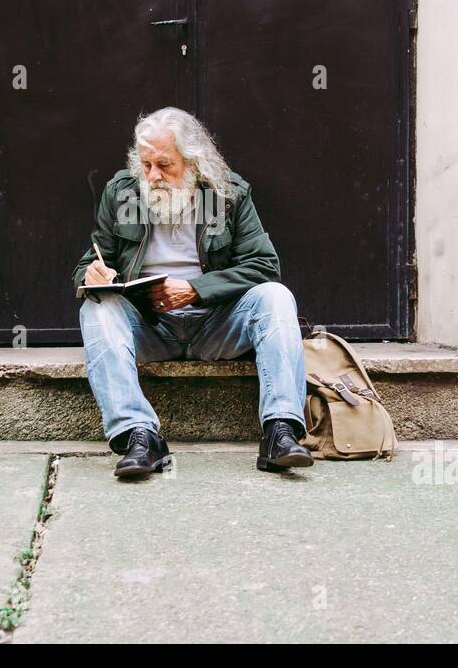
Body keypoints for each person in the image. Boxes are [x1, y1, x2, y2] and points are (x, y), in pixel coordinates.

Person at [72, 107, 312, 479]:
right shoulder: (121, 193)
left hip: (216, 325)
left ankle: (280, 432)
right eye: (146, 164)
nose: (153, 176)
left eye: (165, 165)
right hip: (150, 327)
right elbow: (90, 261)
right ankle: (138, 436)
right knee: (96, 308)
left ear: (193, 161)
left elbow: (264, 265)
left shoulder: (228, 194)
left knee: (276, 297)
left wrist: (196, 291)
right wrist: (92, 273)